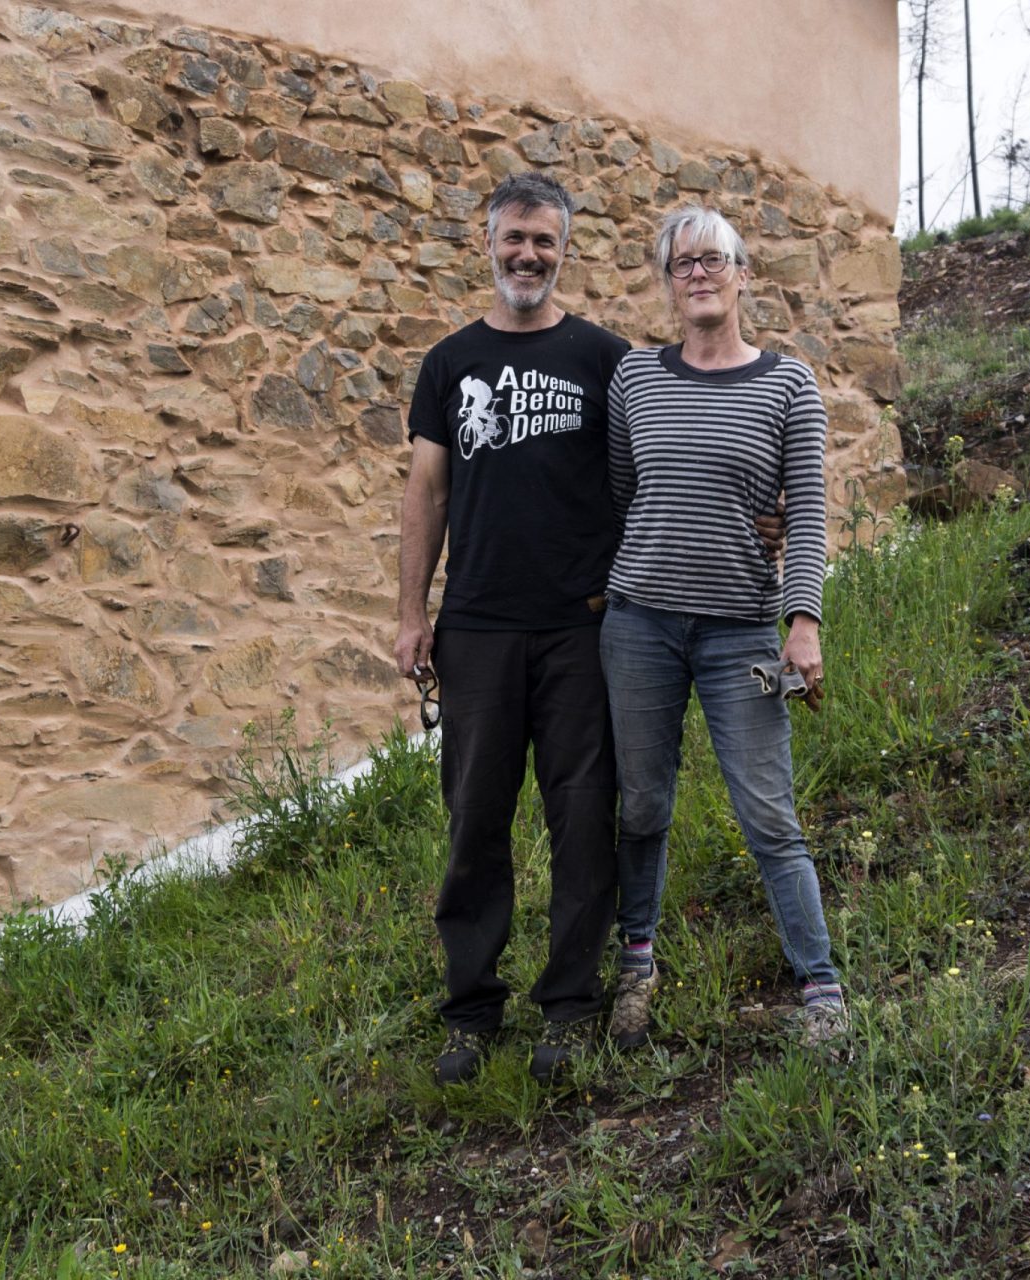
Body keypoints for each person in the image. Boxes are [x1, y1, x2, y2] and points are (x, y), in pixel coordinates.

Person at [394, 172, 629, 1085]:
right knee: (474, 825)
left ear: (564, 249)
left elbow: (652, 470)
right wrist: (413, 616)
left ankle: (568, 1008)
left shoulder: (605, 358)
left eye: (544, 240)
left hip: (583, 630)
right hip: (479, 629)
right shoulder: (448, 363)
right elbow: (427, 490)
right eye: (513, 238)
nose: (527, 255)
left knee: (580, 821)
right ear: (486, 242)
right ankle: (471, 1011)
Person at [601, 205, 846, 1051]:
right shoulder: (634, 379)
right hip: (638, 628)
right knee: (641, 804)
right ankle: (636, 963)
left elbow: (807, 518)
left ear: (745, 276)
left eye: (713, 259)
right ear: (668, 285)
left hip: (742, 633)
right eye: (680, 264)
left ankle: (820, 986)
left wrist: (802, 623)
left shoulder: (789, 385)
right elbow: (624, 495)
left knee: (769, 816)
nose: (697, 274)